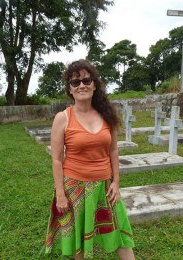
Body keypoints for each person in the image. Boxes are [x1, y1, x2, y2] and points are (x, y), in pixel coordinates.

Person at [45, 59, 135, 259]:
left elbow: (113, 151)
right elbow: (57, 160)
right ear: (70, 89)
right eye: (75, 82)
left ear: (95, 84)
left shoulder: (107, 115)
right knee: (80, 243)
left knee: (120, 233)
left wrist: (116, 183)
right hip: (75, 188)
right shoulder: (63, 118)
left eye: (86, 80)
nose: (81, 85)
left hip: (104, 186)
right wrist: (60, 193)